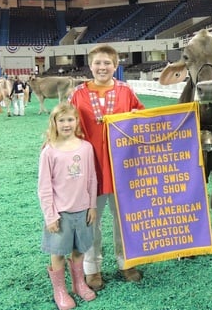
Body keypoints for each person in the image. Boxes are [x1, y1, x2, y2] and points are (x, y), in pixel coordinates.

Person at [68, 44, 145, 291]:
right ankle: (92, 268)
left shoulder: (126, 91)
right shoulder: (78, 94)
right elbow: (66, 125)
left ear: (116, 65)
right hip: (91, 169)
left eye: (107, 63)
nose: (102, 67)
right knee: (92, 219)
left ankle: (127, 262)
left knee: (124, 217)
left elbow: (143, 118)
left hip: (124, 166)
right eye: (97, 63)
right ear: (90, 66)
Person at [38, 102, 98, 310]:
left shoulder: (86, 147)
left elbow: (91, 179)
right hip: (60, 213)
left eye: (70, 119)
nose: (66, 124)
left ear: (77, 121)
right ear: (54, 122)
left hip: (82, 210)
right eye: (61, 120)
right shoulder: (49, 151)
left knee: (79, 249)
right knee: (58, 252)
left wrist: (92, 206)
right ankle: (60, 290)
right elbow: (44, 187)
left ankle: (79, 284)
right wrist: (50, 216)